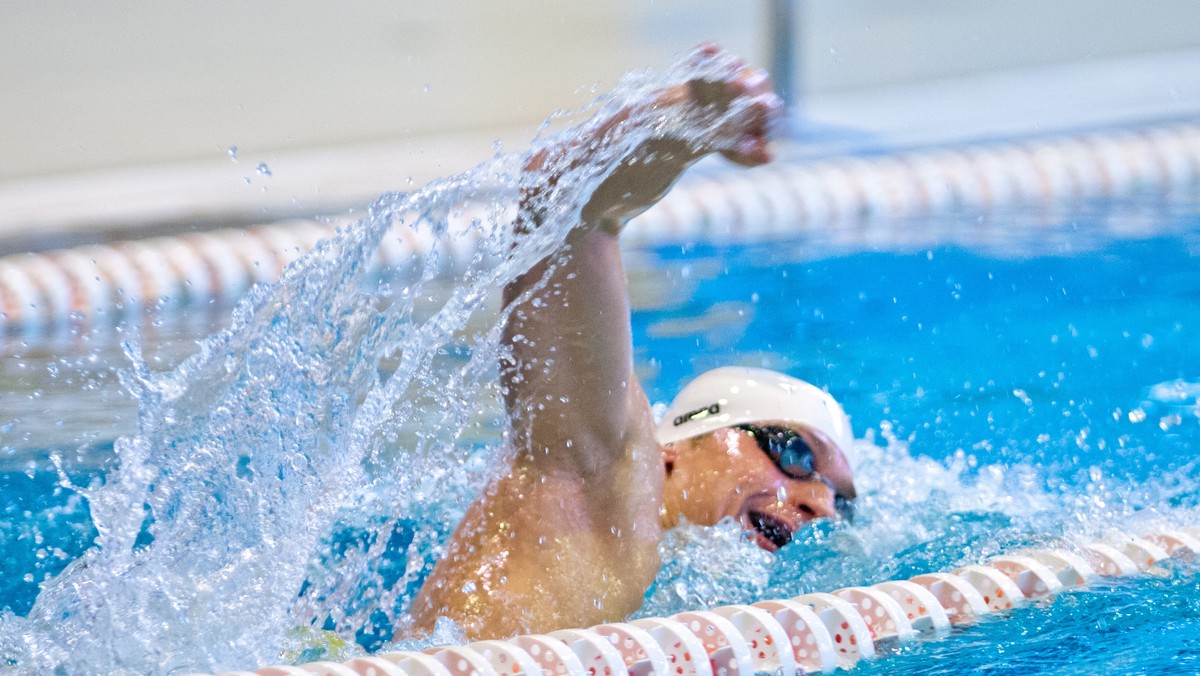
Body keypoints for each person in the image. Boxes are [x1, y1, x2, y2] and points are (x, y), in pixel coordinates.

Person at [406, 46, 857, 641]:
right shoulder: (596, 477)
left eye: (839, 500)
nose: (818, 505)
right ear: (672, 452)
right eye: (794, 454)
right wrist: (683, 123)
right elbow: (563, 204)